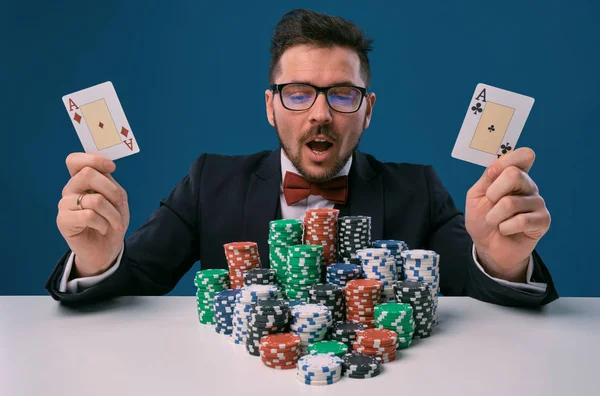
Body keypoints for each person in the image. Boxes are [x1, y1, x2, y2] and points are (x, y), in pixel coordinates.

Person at [46, 9, 557, 307]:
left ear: (367, 111)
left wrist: (503, 261)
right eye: (297, 93)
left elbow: (473, 290)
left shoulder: (417, 189)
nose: (320, 114)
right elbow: (136, 281)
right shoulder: (210, 181)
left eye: (341, 94)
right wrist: (95, 258)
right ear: (270, 106)